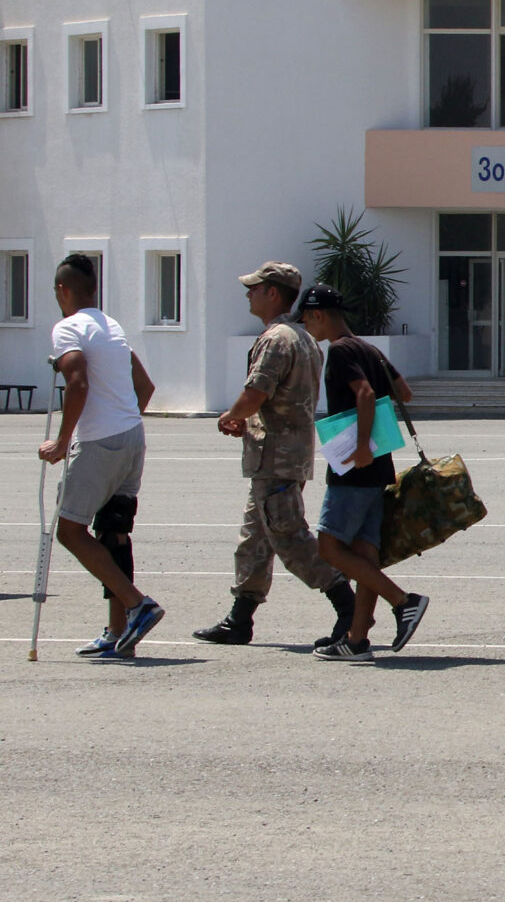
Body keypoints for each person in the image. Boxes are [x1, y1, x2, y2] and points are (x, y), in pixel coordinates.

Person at [194, 262, 355, 646]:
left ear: (272, 293)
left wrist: (231, 416)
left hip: (276, 457)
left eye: (255, 288)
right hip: (285, 454)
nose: (248, 294)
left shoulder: (277, 339)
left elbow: (257, 393)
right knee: (255, 538)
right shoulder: (302, 338)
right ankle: (240, 618)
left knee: (289, 538)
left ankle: (346, 604)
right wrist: (245, 419)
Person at [37, 254, 167, 659]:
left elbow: (76, 384)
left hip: (102, 442)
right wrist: (123, 419)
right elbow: (144, 386)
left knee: (70, 531)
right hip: (132, 437)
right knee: (113, 533)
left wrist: (62, 442)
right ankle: (117, 631)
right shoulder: (112, 327)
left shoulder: (67, 328)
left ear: (62, 290)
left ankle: (137, 605)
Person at [296, 286, 430, 663]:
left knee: (329, 546)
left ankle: (404, 601)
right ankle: (356, 640)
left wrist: (358, 446)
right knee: (364, 551)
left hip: (356, 465)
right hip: (380, 465)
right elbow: (403, 392)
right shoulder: (370, 349)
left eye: (306, 318)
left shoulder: (340, 350)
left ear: (319, 313)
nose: (307, 326)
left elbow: (366, 394)